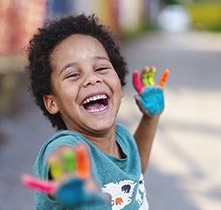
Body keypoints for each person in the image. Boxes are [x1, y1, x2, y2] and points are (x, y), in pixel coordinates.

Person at [24, 14, 169, 210]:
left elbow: (137, 168)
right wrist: (71, 179)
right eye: (73, 74)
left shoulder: (123, 137)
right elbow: (61, 156)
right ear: (52, 102)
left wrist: (150, 119)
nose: (92, 79)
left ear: (118, 80)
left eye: (101, 68)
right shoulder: (67, 144)